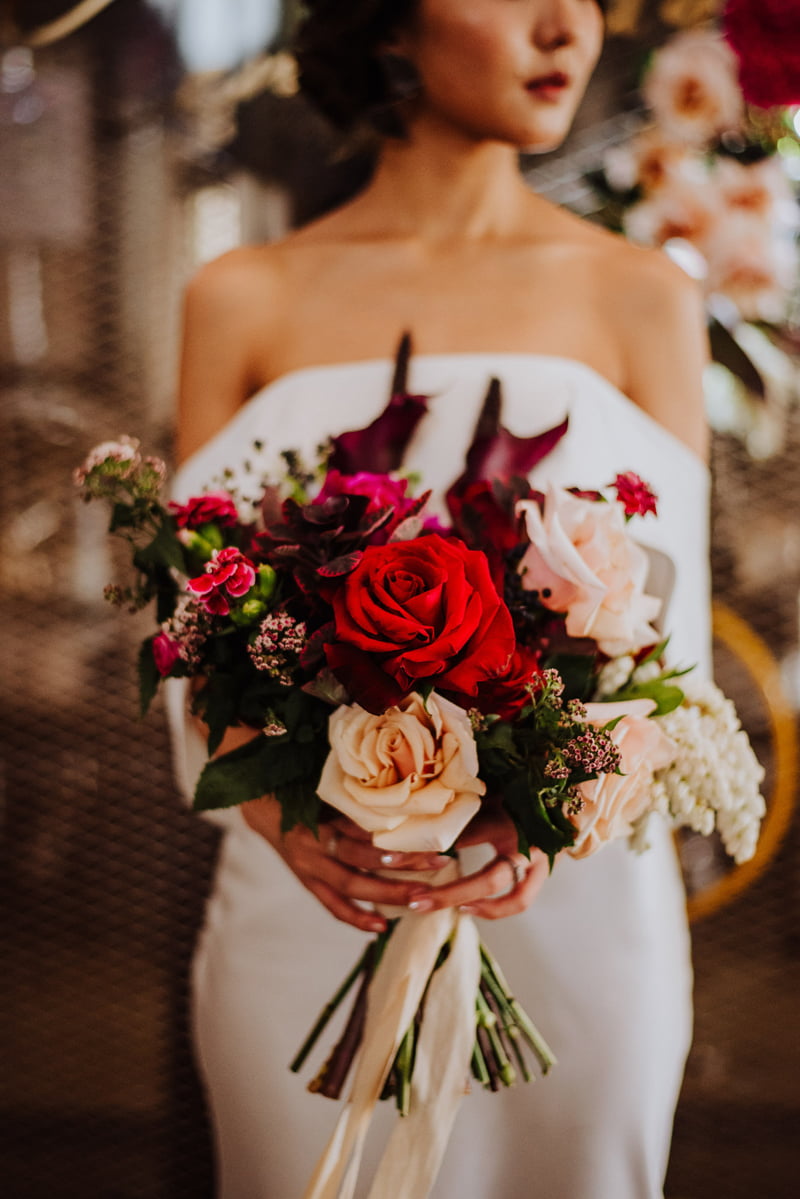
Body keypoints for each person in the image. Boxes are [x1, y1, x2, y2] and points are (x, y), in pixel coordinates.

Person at [168, 1, 711, 1196]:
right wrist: (277, 811)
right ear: (392, 24)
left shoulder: (643, 296)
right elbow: (189, 625)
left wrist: (551, 812)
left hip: (576, 906)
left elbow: (671, 648)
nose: (566, 25)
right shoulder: (239, 296)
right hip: (316, 888)